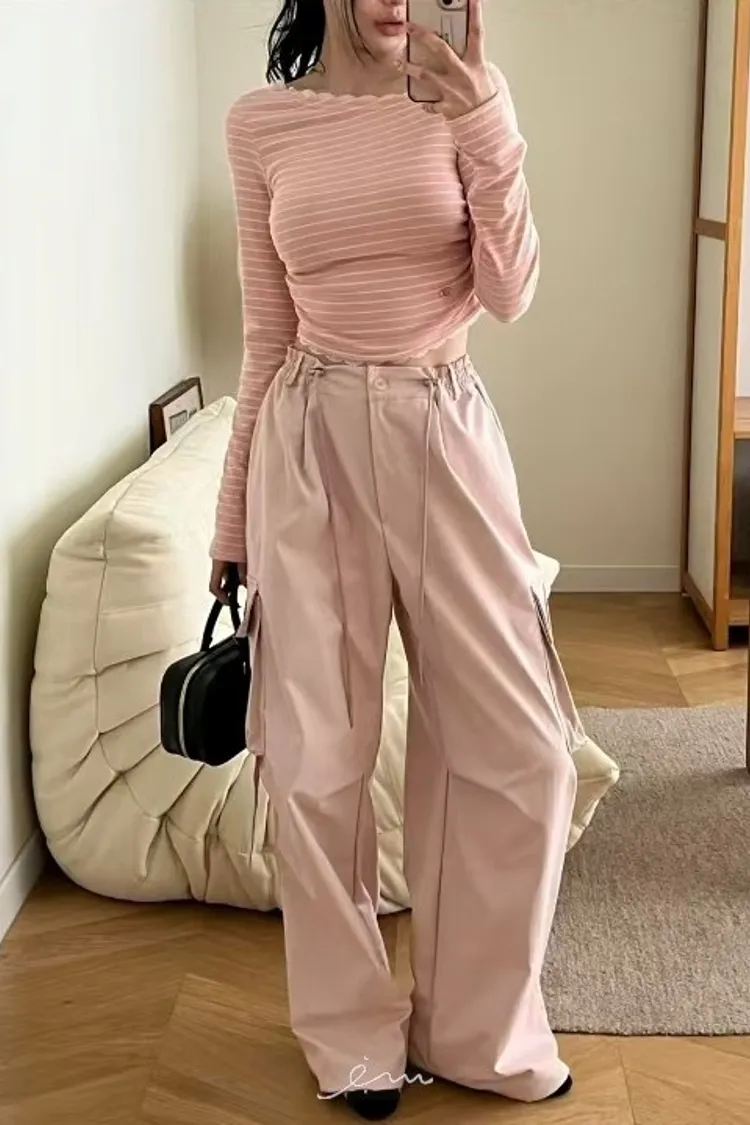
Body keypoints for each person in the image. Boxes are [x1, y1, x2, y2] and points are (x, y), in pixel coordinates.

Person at [209, 0, 583, 1119]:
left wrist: (488, 127)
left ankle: (476, 1030)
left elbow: (511, 293)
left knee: (523, 749)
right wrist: (231, 525)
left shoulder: (464, 103)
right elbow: (265, 337)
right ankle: (352, 1039)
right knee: (313, 758)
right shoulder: (261, 123)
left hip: (442, 427)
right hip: (307, 438)